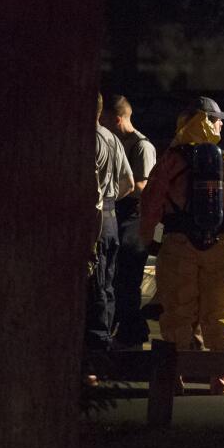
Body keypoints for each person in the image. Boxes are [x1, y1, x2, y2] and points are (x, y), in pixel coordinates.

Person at [139, 98, 224, 395]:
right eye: (216, 119)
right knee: (218, 310)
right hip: (219, 244)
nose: (221, 123)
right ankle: (219, 377)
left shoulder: (170, 160)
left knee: (177, 310)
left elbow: (151, 205)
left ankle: (173, 376)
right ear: (205, 121)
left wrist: (151, 240)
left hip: (177, 244)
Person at [100, 94, 157, 350]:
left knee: (129, 279)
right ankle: (128, 329)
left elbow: (144, 186)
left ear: (118, 118)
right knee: (117, 277)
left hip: (134, 219)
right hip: (120, 215)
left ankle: (132, 334)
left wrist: (115, 188)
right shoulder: (117, 142)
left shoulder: (141, 146)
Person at [92, 92, 135, 354]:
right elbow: (129, 183)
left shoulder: (90, 139)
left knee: (94, 283)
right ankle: (105, 340)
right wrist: (110, 201)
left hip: (94, 215)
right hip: (111, 215)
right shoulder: (113, 139)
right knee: (107, 284)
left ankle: (95, 350)